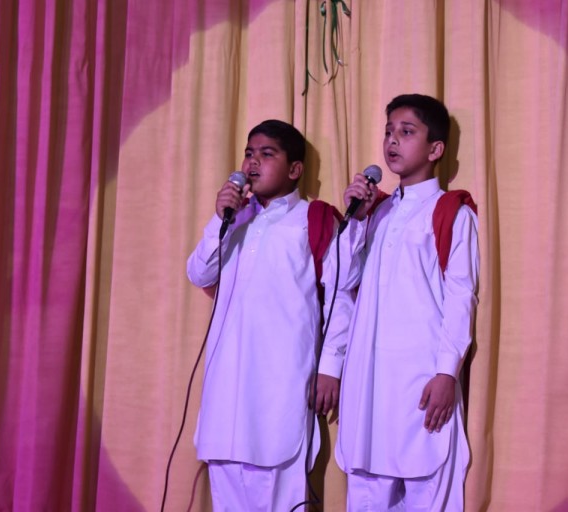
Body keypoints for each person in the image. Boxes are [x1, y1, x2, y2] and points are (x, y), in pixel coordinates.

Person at [320, 94, 480, 510]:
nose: (392, 140)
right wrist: (355, 219)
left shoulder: (451, 212)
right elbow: (340, 282)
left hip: (421, 379)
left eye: (406, 132)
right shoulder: (375, 213)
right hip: (369, 382)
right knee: (367, 490)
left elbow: (460, 296)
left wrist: (447, 372)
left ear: (435, 149)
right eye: (388, 131)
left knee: (427, 485)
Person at [186, 119, 348, 511]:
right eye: (249, 153)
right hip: (226, 392)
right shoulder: (235, 220)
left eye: (267, 153)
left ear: (295, 169)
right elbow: (199, 273)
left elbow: (341, 297)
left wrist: (331, 368)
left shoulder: (314, 220)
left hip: (282, 388)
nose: (252, 162)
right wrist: (221, 218)